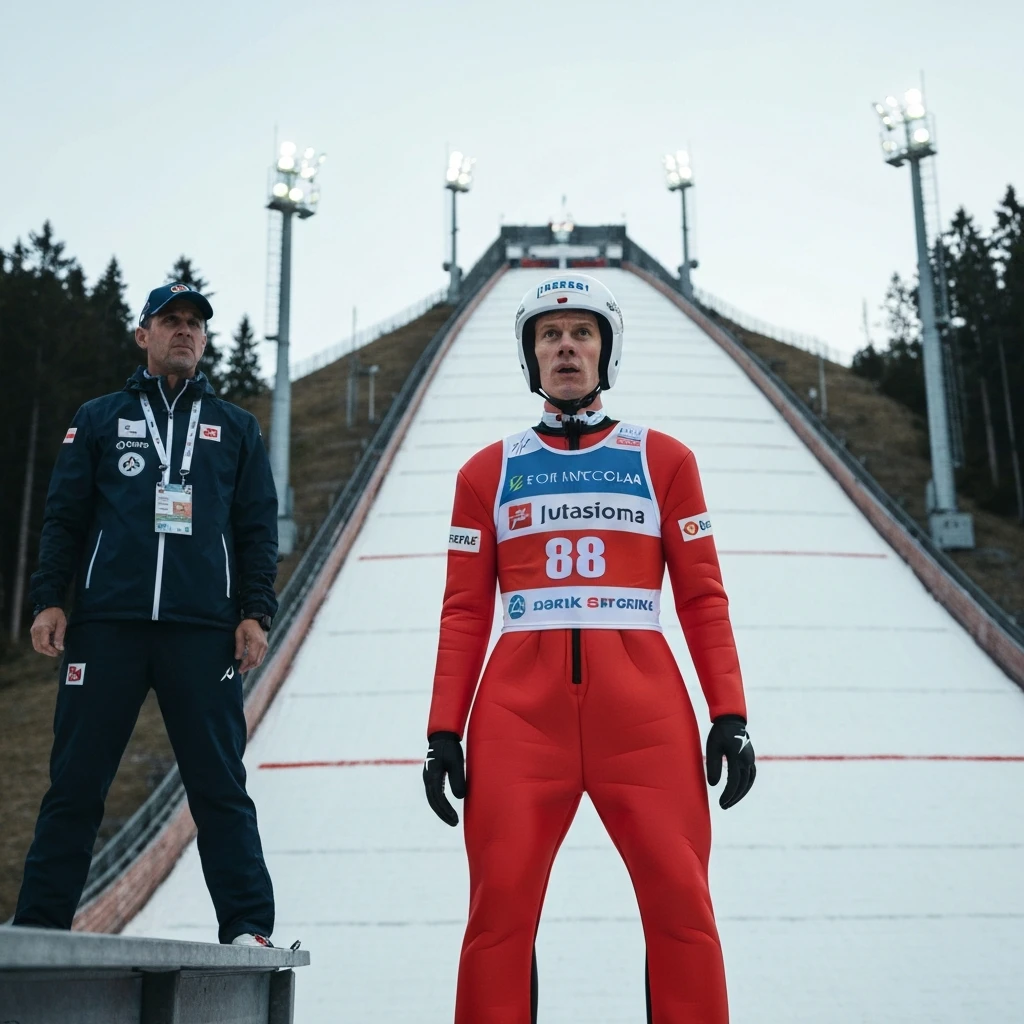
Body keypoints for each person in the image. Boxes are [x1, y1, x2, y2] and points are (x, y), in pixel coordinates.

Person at [422, 273, 756, 1023]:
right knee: (498, 911)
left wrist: (729, 713)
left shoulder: (666, 460)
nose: (565, 346)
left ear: (606, 353)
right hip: (520, 719)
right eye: (549, 335)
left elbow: (703, 596)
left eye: (581, 333)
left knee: (682, 905)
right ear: (530, 357)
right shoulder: (485, 471)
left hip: (642, 719)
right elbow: (464, 610)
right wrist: (444, 729)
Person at [15, 282, 278, 947]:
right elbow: (65, 518)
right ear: (144, 335)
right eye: (171, 321)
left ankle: (247, 928)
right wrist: (49, 597)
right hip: (108, 626)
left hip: (203, 632)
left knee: (219, 787)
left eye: (195, 323)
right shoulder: (99, 419)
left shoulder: (236, 428)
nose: (185, 331)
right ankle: (41, 928)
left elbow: (256, 530)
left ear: (206, 340)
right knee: (74, 784)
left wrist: (255, 613)